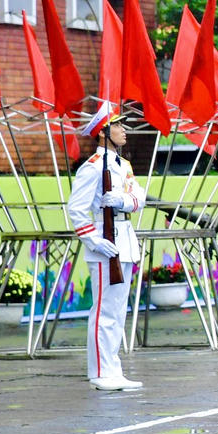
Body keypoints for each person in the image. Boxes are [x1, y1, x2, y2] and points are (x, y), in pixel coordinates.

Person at [68, 102, 146, 391]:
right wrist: (94, 240)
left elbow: (139, 197)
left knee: (117, 310)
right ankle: (100, 372)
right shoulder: (91, 168)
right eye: (118, 126)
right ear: (103, 132)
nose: (124, 130)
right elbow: (76, 209)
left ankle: (112, 368)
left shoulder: (122, 165)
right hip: (105, 242)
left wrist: (122, 201)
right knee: (103, 311)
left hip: (124, 240)